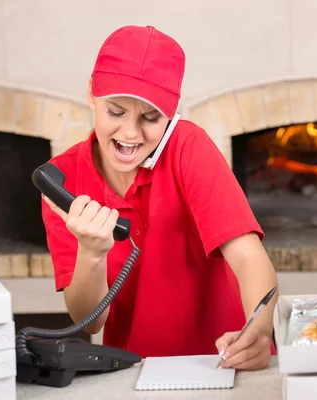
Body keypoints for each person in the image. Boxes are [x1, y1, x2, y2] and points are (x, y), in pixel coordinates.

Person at [40, 25, 278, 371]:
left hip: (222, 365)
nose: (130, 133)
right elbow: (89, 322)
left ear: (172, 114)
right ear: (92, 93)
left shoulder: (189, 148)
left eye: (151, 118)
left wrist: (259, 329)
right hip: (134, 373)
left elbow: (247, 255)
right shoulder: (64, 180)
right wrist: (91, 252)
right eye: (116, 112)